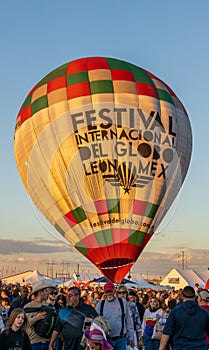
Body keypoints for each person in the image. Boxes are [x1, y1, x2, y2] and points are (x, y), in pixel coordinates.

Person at [159, 286, 209, 350]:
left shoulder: (175, 311)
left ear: (182, 296)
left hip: (180, 346)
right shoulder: (204, 313)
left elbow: (166, 333)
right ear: (195, 297)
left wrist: (161, 348)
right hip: (199, 346)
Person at [96, 282, 134, 350]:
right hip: (106, 340)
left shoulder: (122, 302)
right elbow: (96, 323)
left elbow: (128, 321)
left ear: (114, 291)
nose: (109, 294)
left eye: (110, 291)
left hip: (121, 339)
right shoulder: (100, 305)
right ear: (104, 292)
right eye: (107, 292)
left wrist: (131, 338)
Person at [23, 281, 54, 350]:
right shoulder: (28, 307)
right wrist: (36, 318)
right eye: (45, 291)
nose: (47, 293)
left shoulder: (49, 306)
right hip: (34, 342)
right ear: (40, 293)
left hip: (48, 342)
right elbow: (23, 325)